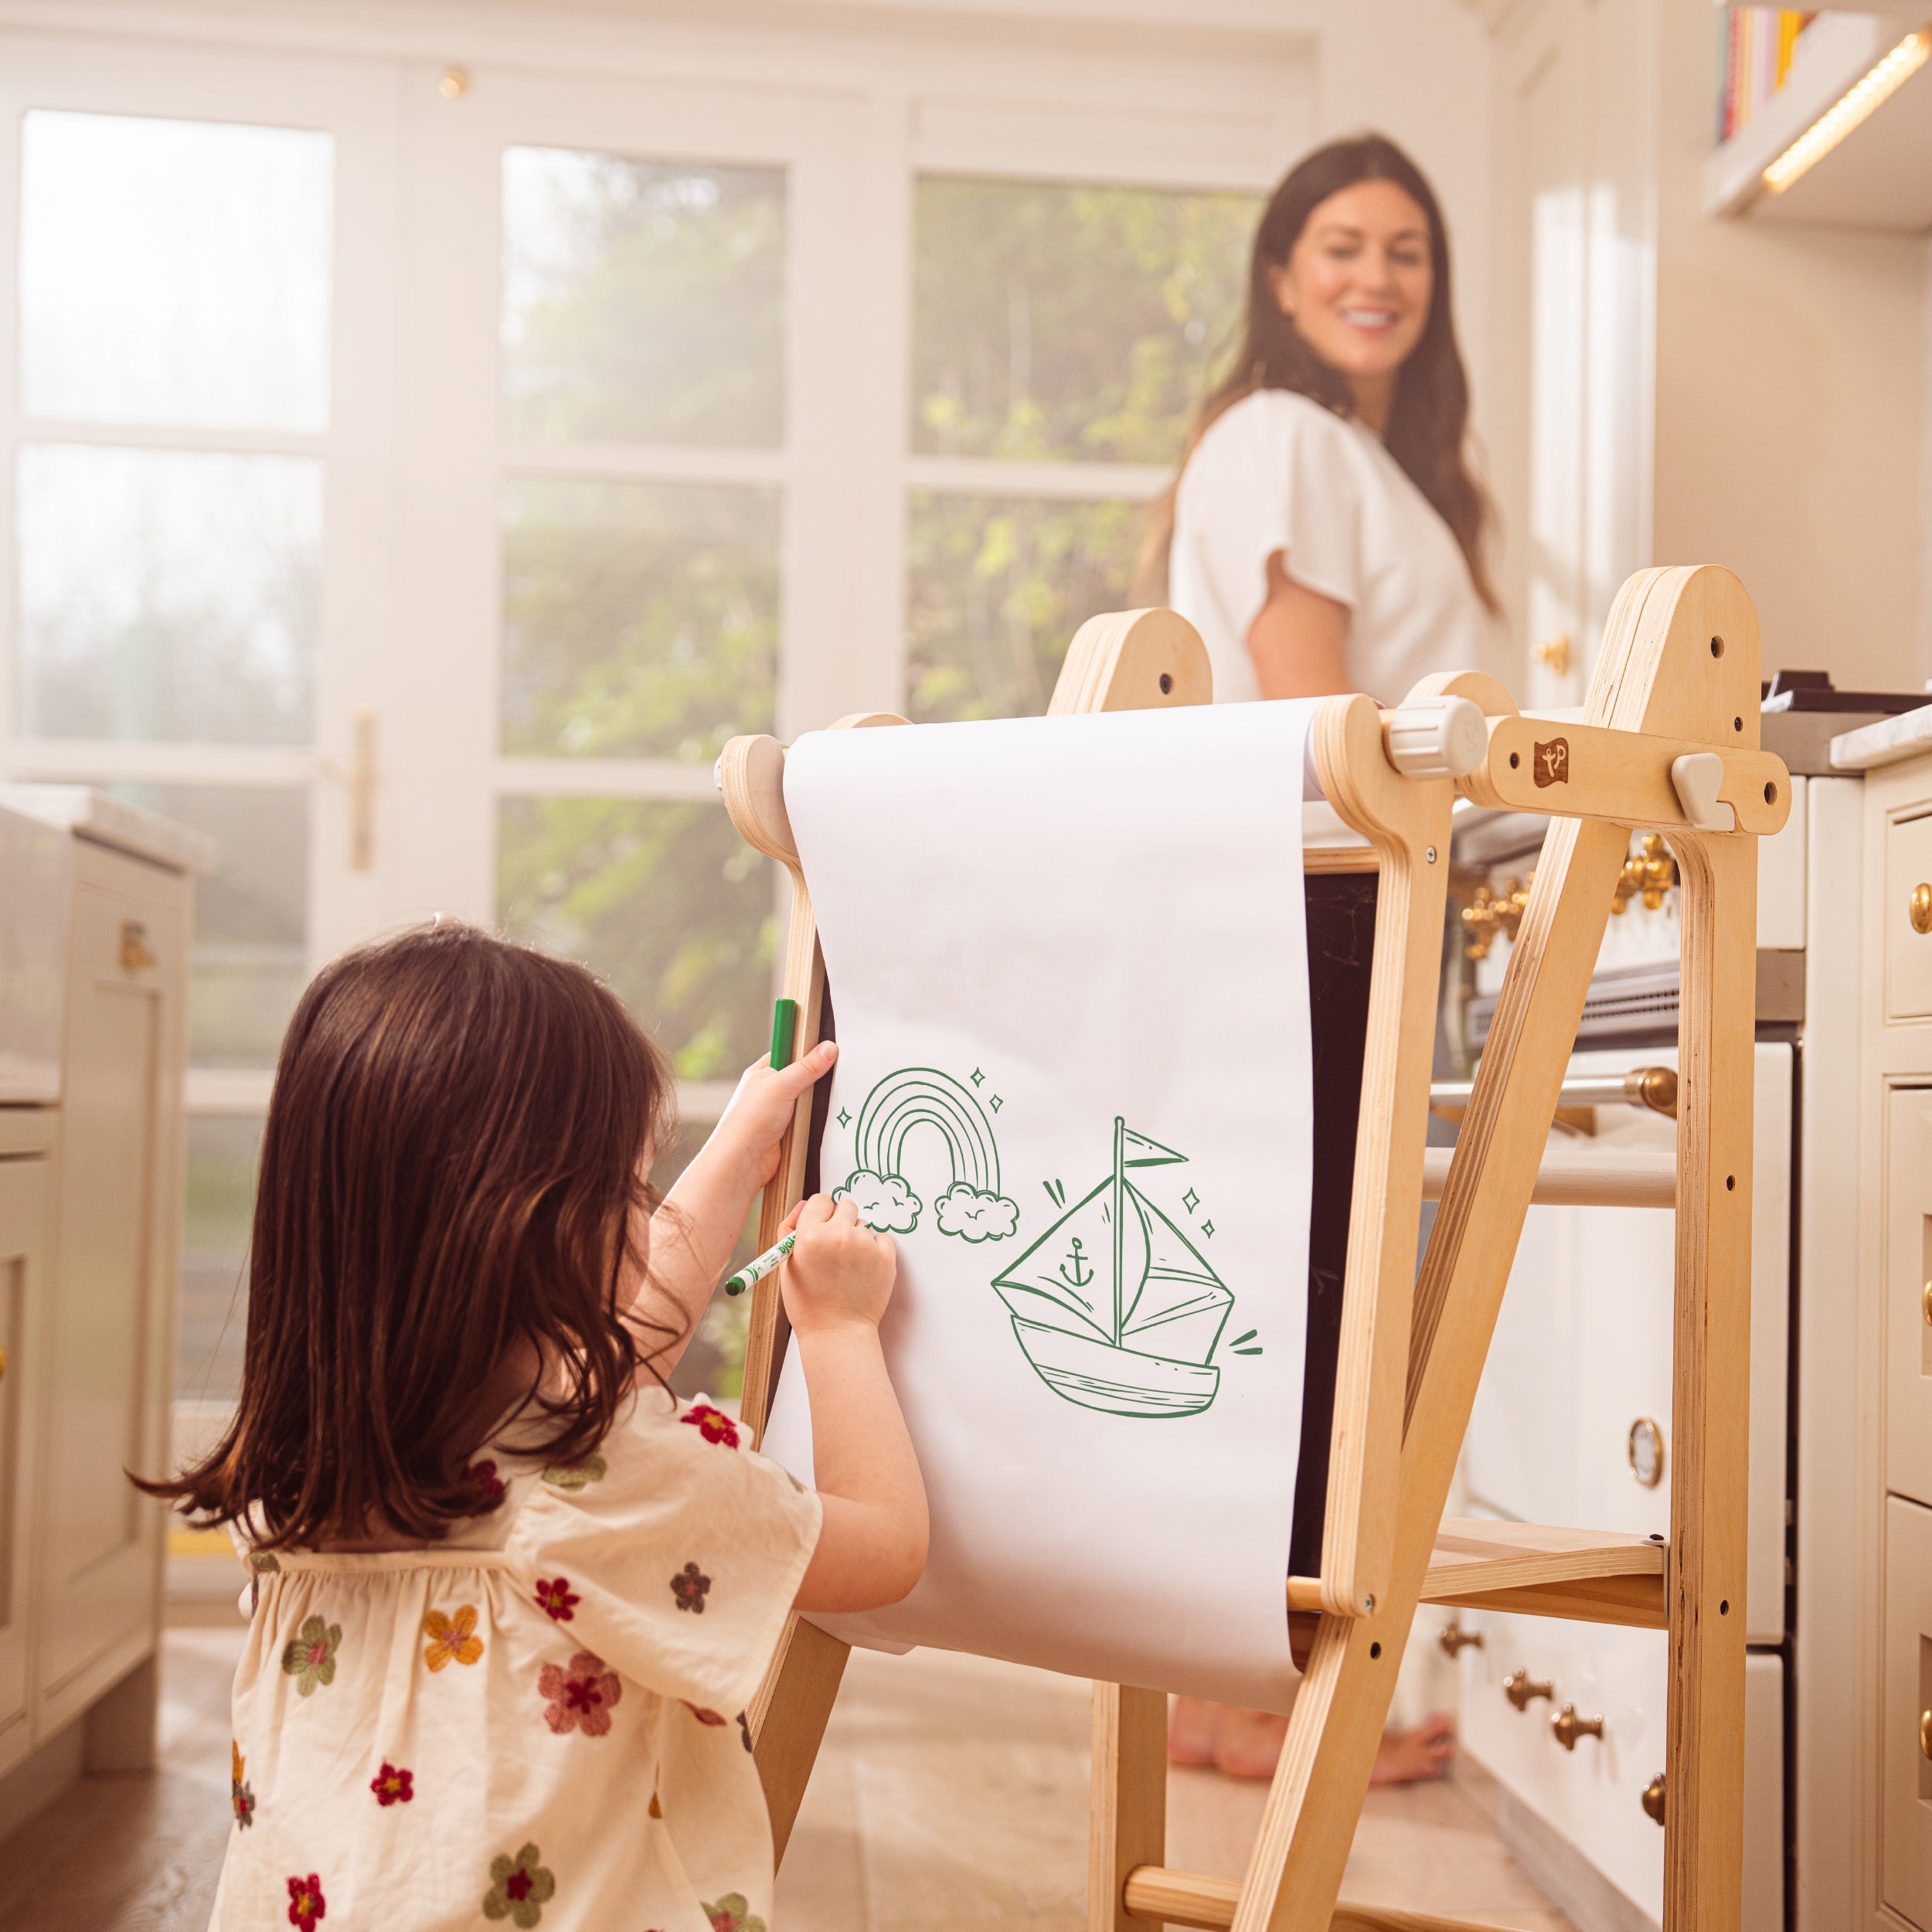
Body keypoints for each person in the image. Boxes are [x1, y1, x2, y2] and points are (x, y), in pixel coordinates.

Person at [143, 923, 926, 1932]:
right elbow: (886, 1546)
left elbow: (606, 1366)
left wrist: (738, 1154)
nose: (649, 1216)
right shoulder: (610, 1482)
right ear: (529, 1232)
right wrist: (840, 1327)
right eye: (630, 1188)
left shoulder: (297, 1478)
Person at [1142, 131, 1501, 1784]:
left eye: (1405, 251)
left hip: (1342, 889)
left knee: (1300, 1297)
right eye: (1341, 245)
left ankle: (1235, 1694)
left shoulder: (1364, 460)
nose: (1374, 276)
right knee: (1314, 1302)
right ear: (1281, 275)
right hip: (1327, 884)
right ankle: (1248, 1694)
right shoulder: (1283, 435)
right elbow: (1324, 721)